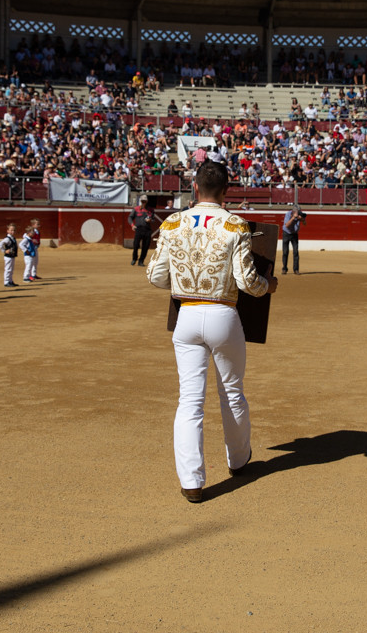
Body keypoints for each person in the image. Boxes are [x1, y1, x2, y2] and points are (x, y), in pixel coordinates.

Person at [146, 157, 277, 503]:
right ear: (226, 190)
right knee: (231, 391)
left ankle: (191, 482)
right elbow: (247, 281)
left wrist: (182, 282)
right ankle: (237, 460)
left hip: (187, 315)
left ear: (194, 188)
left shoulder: (172, 223)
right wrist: (269, 285)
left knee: (189, 400)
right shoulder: (234, 225)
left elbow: (156, 277)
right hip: (223, 315)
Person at [130, 196, 156, 266]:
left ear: (147, 201)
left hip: (147, 230)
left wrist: (150, 220)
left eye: (145, 201)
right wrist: (132, 225)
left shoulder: (151, 210)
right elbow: (130, 217)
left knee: (145, 247)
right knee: (135, 245)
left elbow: (153, 219)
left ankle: (141, 261)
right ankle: (134, 258)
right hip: (138, 229)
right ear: (140, 201)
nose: (143, 202)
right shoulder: (136, 209)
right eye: (142, 201)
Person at [282, 205, 307, 275]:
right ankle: (284, 268)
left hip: (294, 234)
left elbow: (305, 224)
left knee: (296, 252)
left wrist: (302, 219)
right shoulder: (288, 214)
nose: (299, 213)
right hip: (286, 233)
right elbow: (286, 225)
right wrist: (293, 218)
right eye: (297, 212)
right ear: (293, 211)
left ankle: (296, 269)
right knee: (285, 252)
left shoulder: (300, 215)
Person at [0, 223, 18, 287]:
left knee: (11, 269)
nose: (13, 232)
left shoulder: (13, 238)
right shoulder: (7, 238)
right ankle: (6, 282)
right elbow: (0, 244)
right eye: (11, 230)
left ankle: (10, 281)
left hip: (12, 256)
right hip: (8, 256)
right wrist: (4, 251)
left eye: (14, 230)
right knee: (8, 269)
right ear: (8, 231)